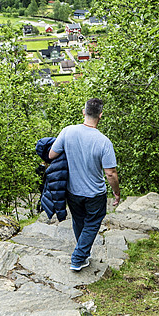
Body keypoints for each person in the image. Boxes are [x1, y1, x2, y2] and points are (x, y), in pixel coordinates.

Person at [49, 98, 120, 271]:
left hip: (73, 191)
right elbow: (110, 173)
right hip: (95, 193)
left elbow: (51, 155)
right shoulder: (104, 142)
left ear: (84, 112)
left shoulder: (68, 132)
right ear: (100, 115)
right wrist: (117, 193)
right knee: (92, 223)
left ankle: (84, 254)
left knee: (79, 221)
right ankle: (78, 258)